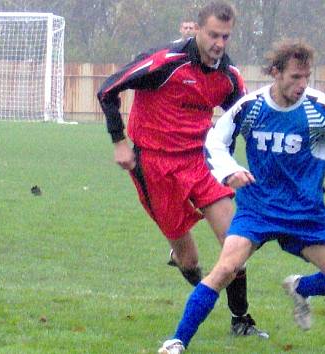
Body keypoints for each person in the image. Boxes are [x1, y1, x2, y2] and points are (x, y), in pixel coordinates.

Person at [158, 39, 325, 353]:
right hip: (257, 210)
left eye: (306, 78)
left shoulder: (318, 107)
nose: (302, 85)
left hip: (305, 214)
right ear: (275, 73)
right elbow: (215, 141)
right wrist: (228, 170)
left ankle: (301, 287)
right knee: (225, 269)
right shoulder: (252, 107)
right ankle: (176, 341)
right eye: (295, 78)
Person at [98, 1, 267, 339]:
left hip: (199, 162)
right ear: (198, 29)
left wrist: (233, 164)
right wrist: (119, 141)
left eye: (226, 37)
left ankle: (241, 320)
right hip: (155, 166)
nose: (219, 43)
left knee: (237, 241)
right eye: (213, 35)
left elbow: (244, 120)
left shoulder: (228, 78)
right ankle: (183, 261)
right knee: (190, 260)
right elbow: (108, 89)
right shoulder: (165, 62)